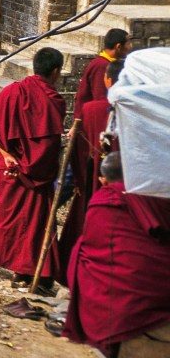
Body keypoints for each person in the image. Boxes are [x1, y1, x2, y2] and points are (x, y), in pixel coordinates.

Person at [62, 151, 170, 358]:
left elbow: (94, 246)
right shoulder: (155, 194)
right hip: (162, 286)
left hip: (123, 297)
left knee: (80, 254)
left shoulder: (103, 199)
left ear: (103, 180)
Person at [0, 47, 66, 292]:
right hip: (34, 173)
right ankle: (24, 270)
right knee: (33, 220)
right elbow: (48, 148)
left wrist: (7, 156)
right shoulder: (54, 101)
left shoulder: (12, 92)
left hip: (8, 167)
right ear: (56, 72)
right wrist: (34, 167)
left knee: (7, 212)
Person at [58, 59, 123, 270]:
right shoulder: (136, 112)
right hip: (123, 181)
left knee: (87, 220)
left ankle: (75, 267)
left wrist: (78, 177)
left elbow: (78, 149)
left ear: (107, 80)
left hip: (92, 175)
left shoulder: (91, 109)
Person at [73, 27, 130, 119]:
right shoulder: (102, 66)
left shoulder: (107, 63)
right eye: (128, 43)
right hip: (95, 119)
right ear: (118, 46)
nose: (129, 47)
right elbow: (101, 99)